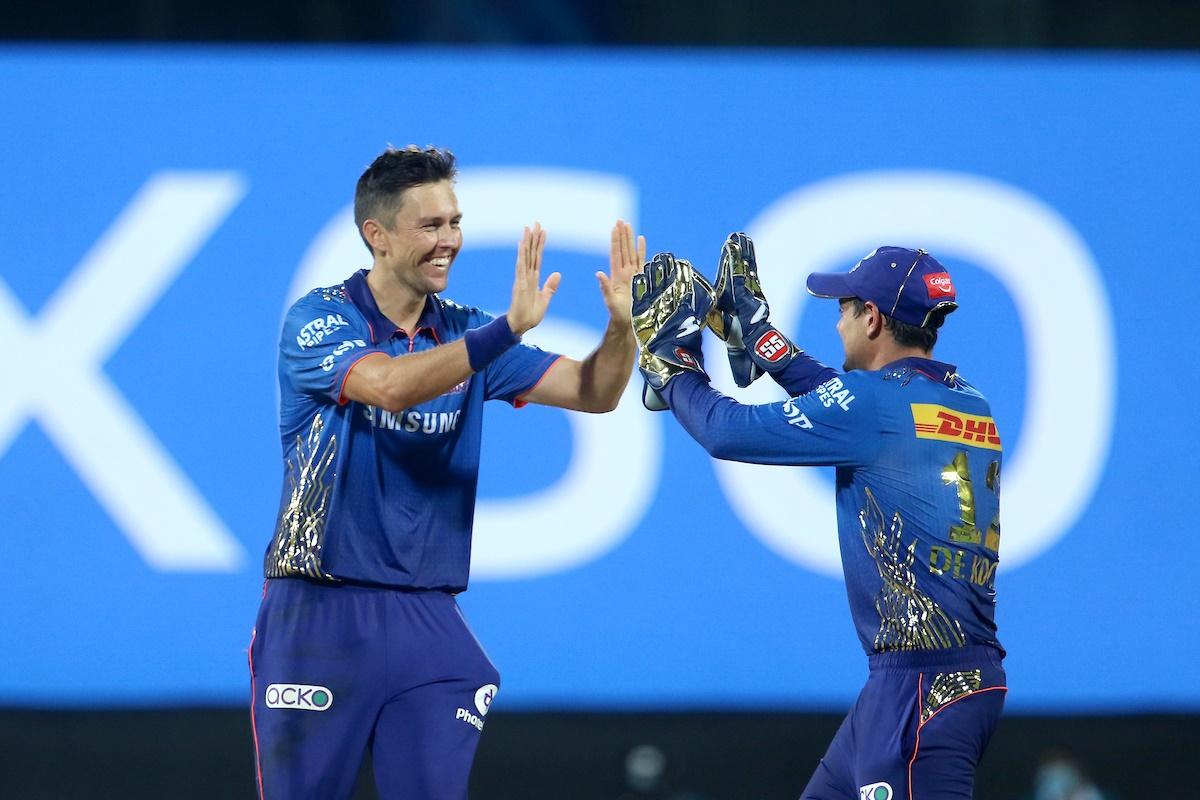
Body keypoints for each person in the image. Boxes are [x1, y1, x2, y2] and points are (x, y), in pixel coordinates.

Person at [249, 145, 643, 800]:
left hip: (428, 621)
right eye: (430, 226)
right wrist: (506, 332)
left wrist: (623, 329)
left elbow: (593, 391)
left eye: (454, 222)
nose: (450, 241)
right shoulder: (319, 320)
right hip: (319, 615)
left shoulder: (466, 332)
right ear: (376, 235)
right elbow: (389, 386)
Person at [632, 235, 1007, 800]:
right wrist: (756, 337)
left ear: (873, 318)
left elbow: (724, 431)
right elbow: (845, 399)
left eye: (843, 309)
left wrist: (676, 367)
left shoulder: (871, 407)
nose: (837, 325)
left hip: (921, 690)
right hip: (934, 683)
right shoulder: (968, 400)